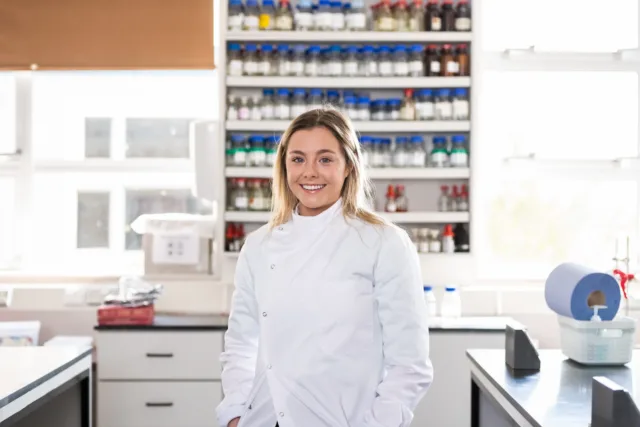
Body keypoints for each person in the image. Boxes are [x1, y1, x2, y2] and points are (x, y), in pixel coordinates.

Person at [216, 108, 433, 427]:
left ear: (348, 166)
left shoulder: (383, 242)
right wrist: (233, 413)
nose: (310, 172)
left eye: (325, 159)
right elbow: (241, 343)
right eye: (298, 159)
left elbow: (410, 364)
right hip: (263, 419)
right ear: (284, 166)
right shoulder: (259, 245)